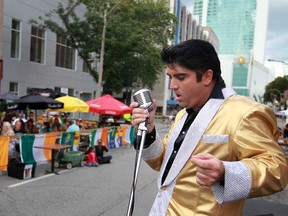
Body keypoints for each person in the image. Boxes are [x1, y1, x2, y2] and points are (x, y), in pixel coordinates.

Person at [130, 39, 288, 216]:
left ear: (207, 76)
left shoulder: (245, 112)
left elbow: (277, 171)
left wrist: (225, 172)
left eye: (181, 77)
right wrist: (150, 130)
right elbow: (162, 162)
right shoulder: (183, 114)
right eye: (170, 77)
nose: (173, 85)